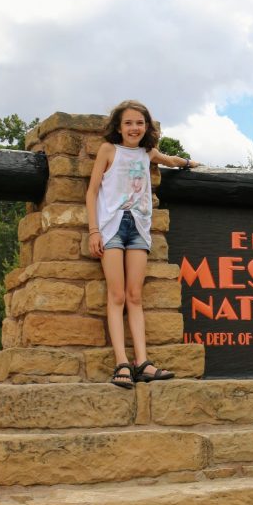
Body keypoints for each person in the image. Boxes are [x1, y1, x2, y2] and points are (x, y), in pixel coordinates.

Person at [86, 100, 200, 388]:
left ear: (146, 126)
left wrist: (187, 163)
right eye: (128, 123)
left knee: (135, 296)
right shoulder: (108, 151)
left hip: (138, 228)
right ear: (119, 126)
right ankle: (122, 363)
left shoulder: (147, 153)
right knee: (117, 296)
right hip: (112, 226)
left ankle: (143, 362)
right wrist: (93, 231)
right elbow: (91, 192)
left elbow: (169, 160)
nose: (134, 128)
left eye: (139, 123)